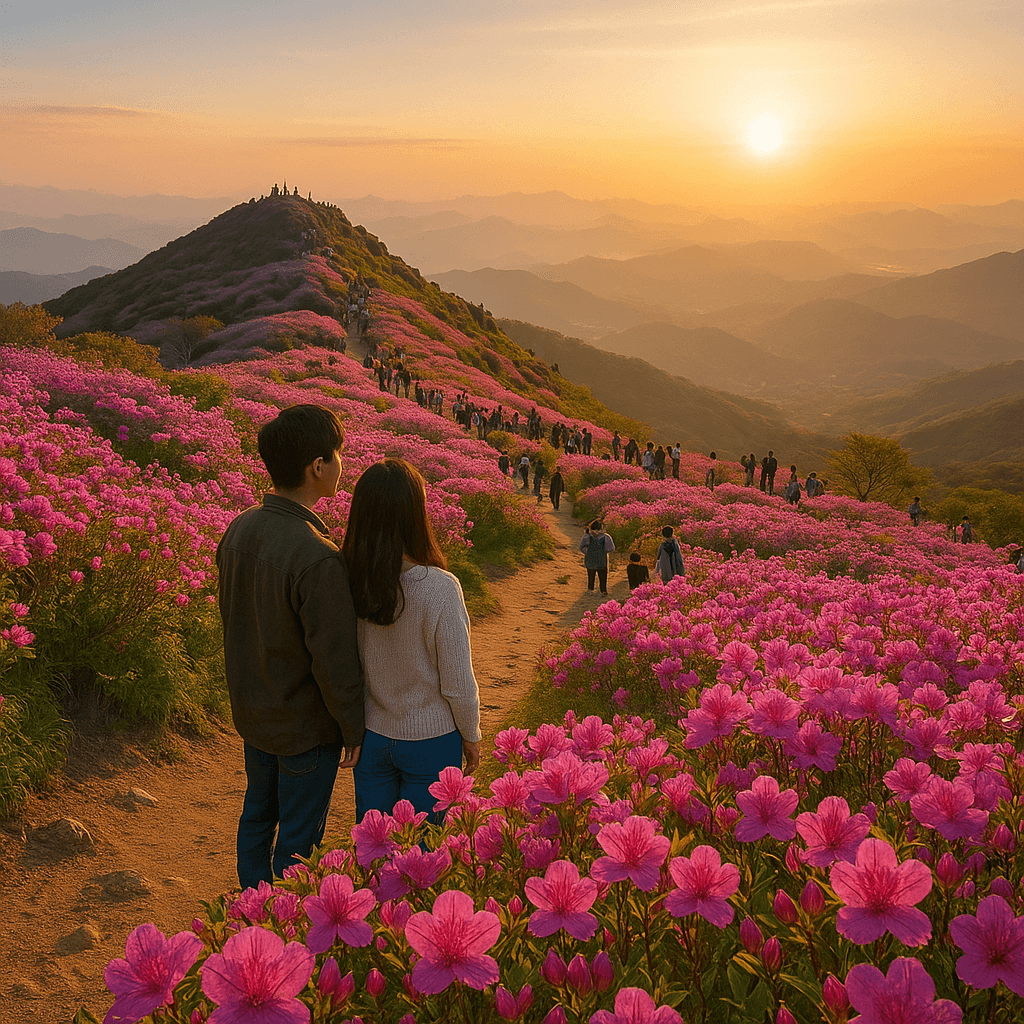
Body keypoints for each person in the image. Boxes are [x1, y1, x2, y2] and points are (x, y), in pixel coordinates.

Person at [216, 404, 364, 889]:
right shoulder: (318, 556)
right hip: (305, 729)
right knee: (300, 840)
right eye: (338, 454)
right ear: (317, 467)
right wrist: (353, 727)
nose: (343, 462)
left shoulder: (239, 527)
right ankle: (285, 927)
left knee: (257, 816)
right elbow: (333, 660)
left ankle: (250, 909)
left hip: (254, 716)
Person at [342, 459, 481, 824]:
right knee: (423, 856)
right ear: (414, 516)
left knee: (375, 848)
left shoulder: (349, 579)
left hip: (373, 736)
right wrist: (471, 734)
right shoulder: (439, 587)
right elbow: (457, 682)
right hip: (431, 741)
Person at [580, 520, 615, 595]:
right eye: (594, 529)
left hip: (597, 560)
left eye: (597, 530)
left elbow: (611, 548)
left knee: (601, 577)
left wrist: (588, 551)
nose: (596, 531)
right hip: (597, 560)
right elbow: (610, 548)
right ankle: (594, 589)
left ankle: (602, 590)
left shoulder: (605, 537)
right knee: (593, 576)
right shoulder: (589, 537)